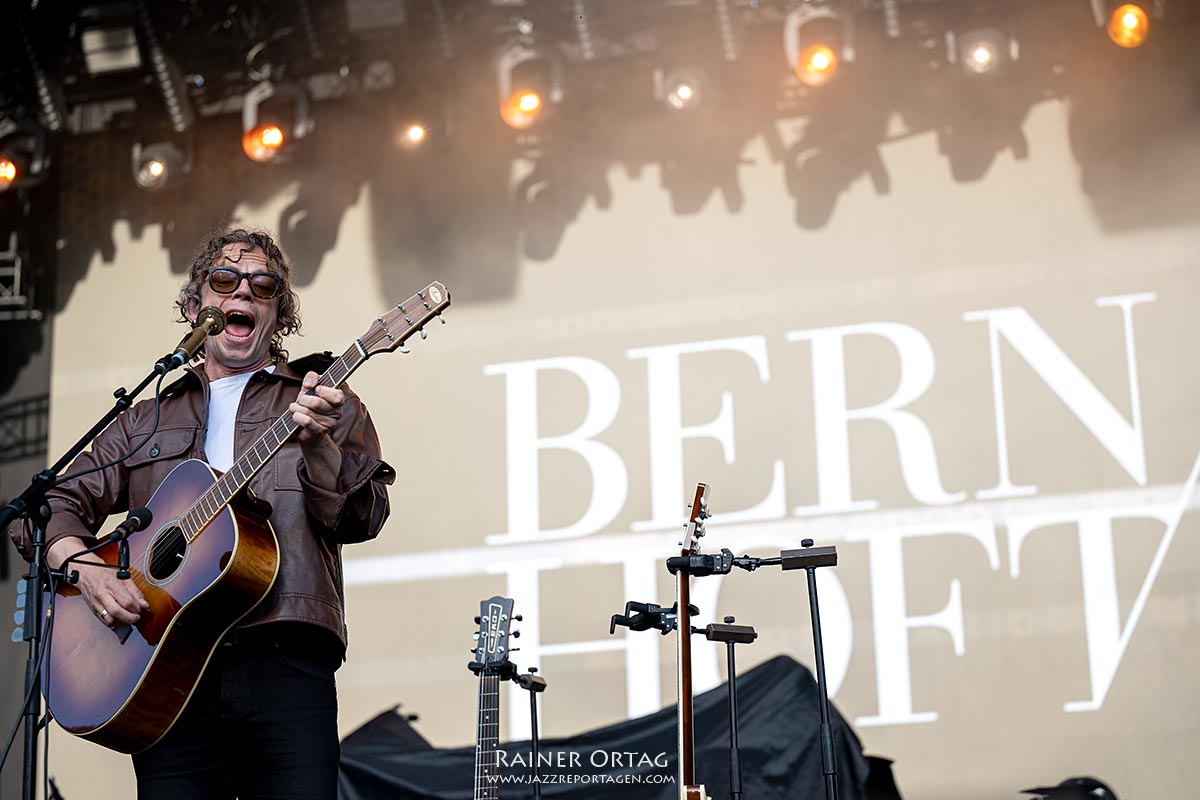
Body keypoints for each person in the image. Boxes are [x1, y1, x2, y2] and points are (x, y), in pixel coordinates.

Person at [19, 228, 393, 799]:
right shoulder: (146, 419)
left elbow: (360, 518)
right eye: (225, 281)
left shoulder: (321, 399)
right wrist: (86, 571)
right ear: (198, 308)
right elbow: (47, 507)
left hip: (283, 655)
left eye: (263, 286)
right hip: (166, 666)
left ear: (277, 314)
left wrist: (320, 447)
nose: (244, 292)